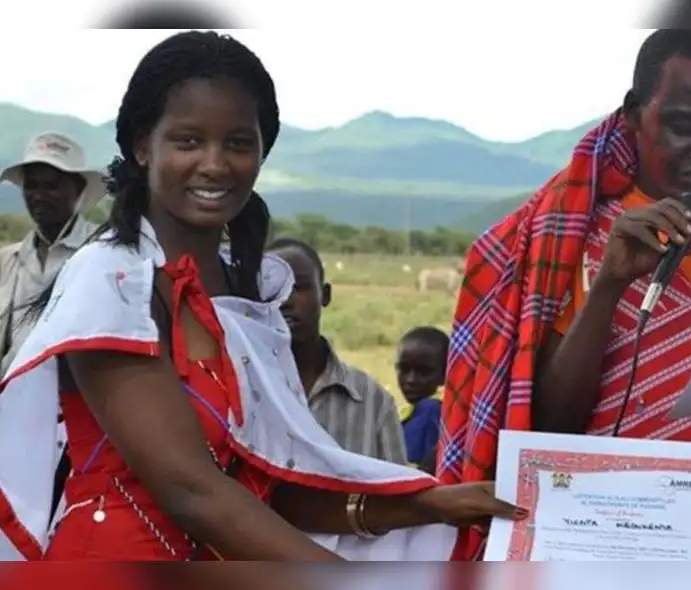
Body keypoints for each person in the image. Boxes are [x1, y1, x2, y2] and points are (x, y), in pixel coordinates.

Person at [0, 30, 525, 562]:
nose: (215, 164)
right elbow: (191, 491)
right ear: (141, 146)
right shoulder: (112, 281)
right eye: (188, 140)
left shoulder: (248, 295)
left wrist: (429, 503)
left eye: (238, 142)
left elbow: (264, 486)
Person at [440, 29, 691, 559]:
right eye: (683, 126)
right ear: (633, 114)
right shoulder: (569, 234)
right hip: (596, 530)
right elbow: (550, 425)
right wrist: (610, 285)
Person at [267, 237, 407, 464]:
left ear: (325, 295)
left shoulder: (372, 401)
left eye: (298, 287)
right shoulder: (243, 389)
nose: (285, 301)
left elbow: (399, 495)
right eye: (272, 289)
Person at [0, 132, 105, 374]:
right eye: (32, 186)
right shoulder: (8, 260)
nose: (39, 196)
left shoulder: (104, 252)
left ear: (78, 189)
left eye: (52, 186)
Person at [396, 326, 448, 472]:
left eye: (424, 372)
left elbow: (405, 466)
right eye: (404, 369)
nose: (411, 380)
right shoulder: (413, 411)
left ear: (445, 374)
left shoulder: (430, 410)